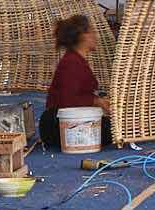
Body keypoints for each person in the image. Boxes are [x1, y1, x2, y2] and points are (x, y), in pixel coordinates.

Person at [38, 14, 109, 150]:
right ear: (83, 36)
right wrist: (97, 101)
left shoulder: (76, 60)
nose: (95, 36)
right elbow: (68, 100)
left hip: (70, 120)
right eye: (92, 32)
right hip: (58, 124)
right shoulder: (71, 63)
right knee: (109, 129)